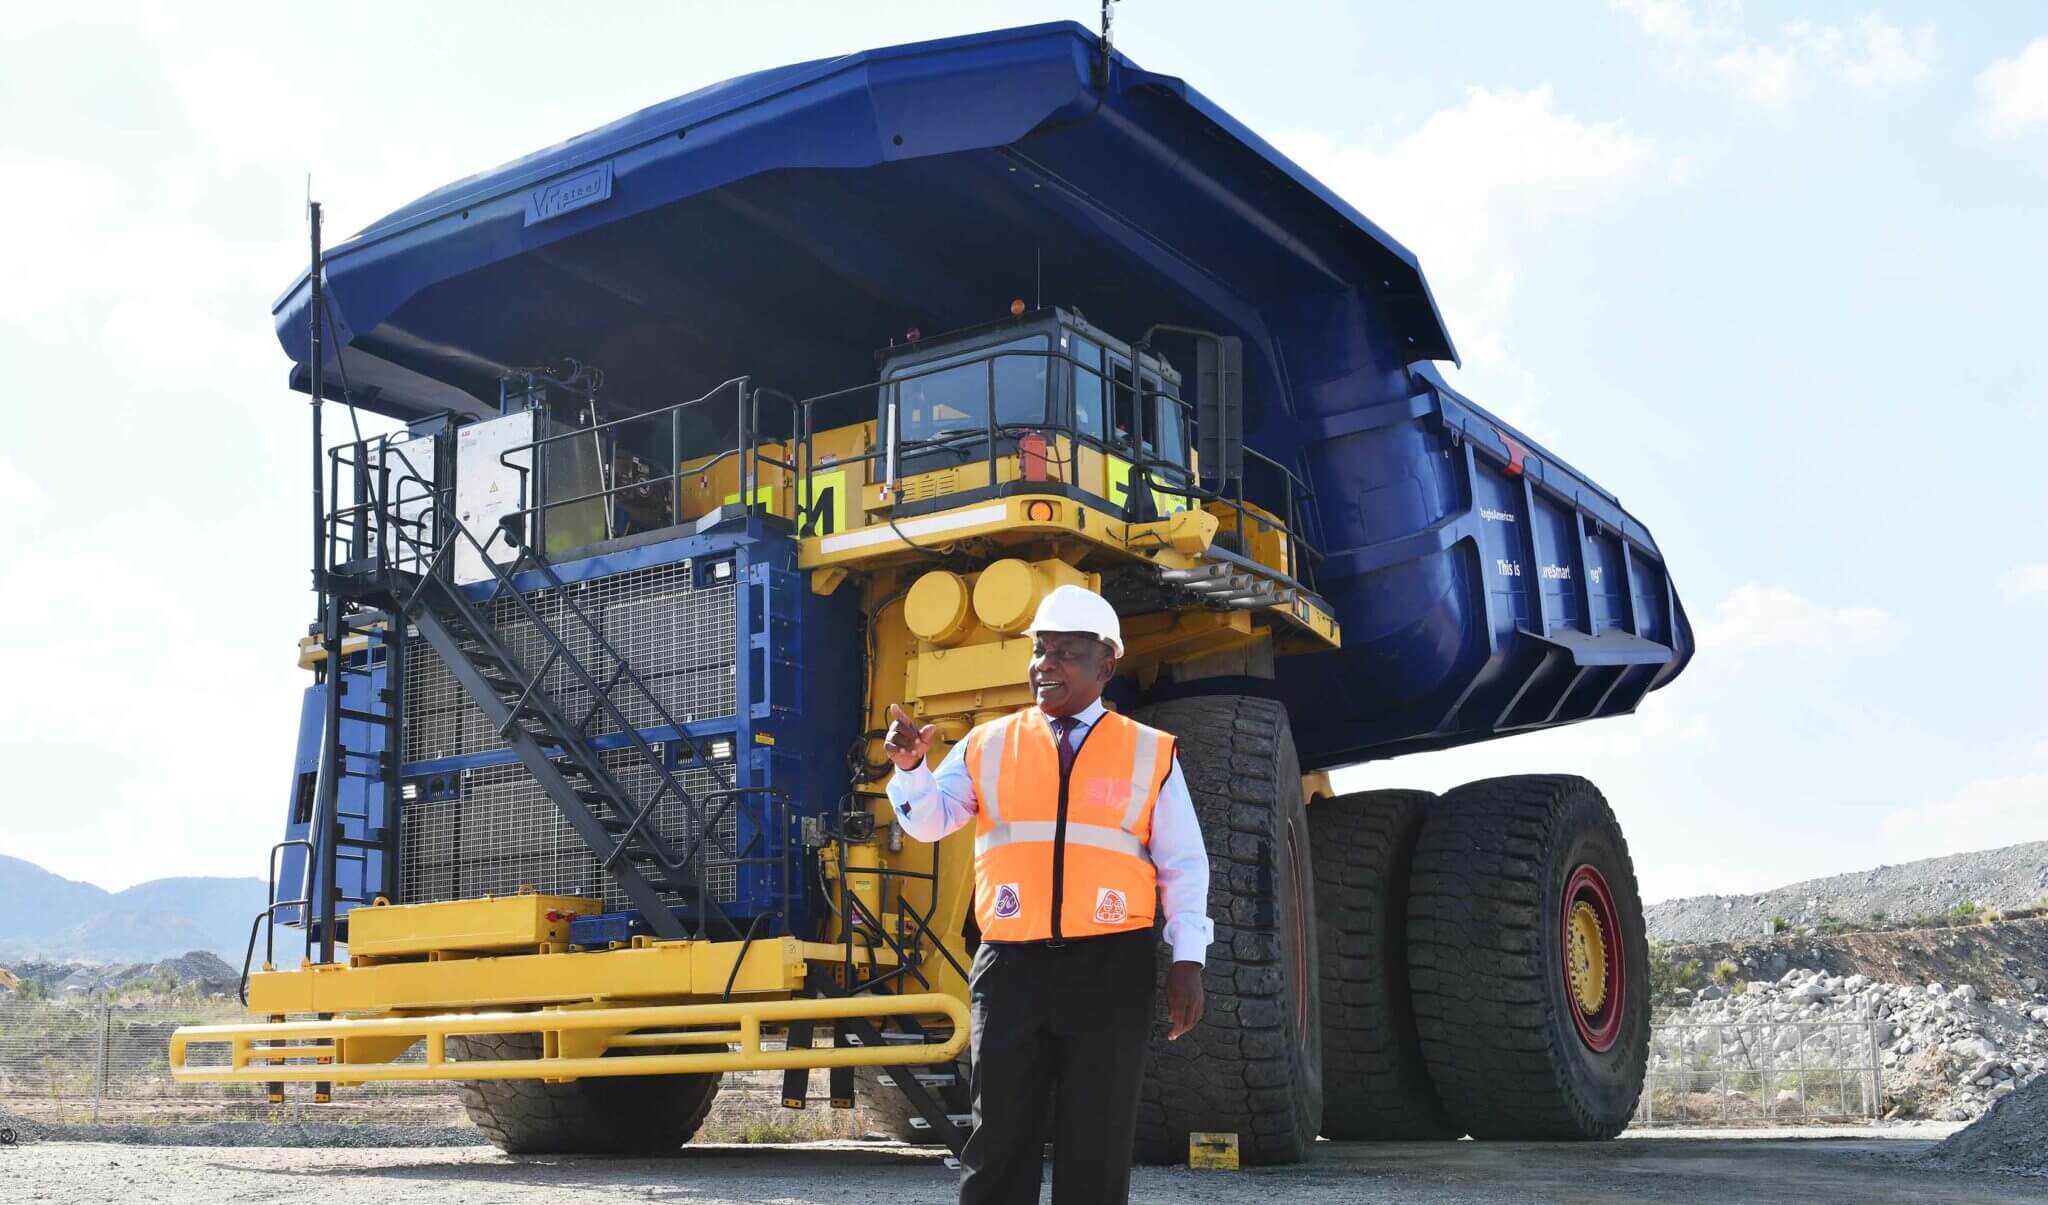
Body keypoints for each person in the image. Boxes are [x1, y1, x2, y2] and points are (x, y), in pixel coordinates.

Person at [884, 584, 1212, 1205]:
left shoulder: (1150, 751)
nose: (1045, 665)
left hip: (1111, 966)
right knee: (999, 1139)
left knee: (1097, 1140)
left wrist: (1188, 958)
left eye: (1065, 652)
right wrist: (910, 771)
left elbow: (1183, 863)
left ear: (1106, 663)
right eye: (1040, 651)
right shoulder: (987, 743)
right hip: (1011, 965)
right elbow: (930, 821)